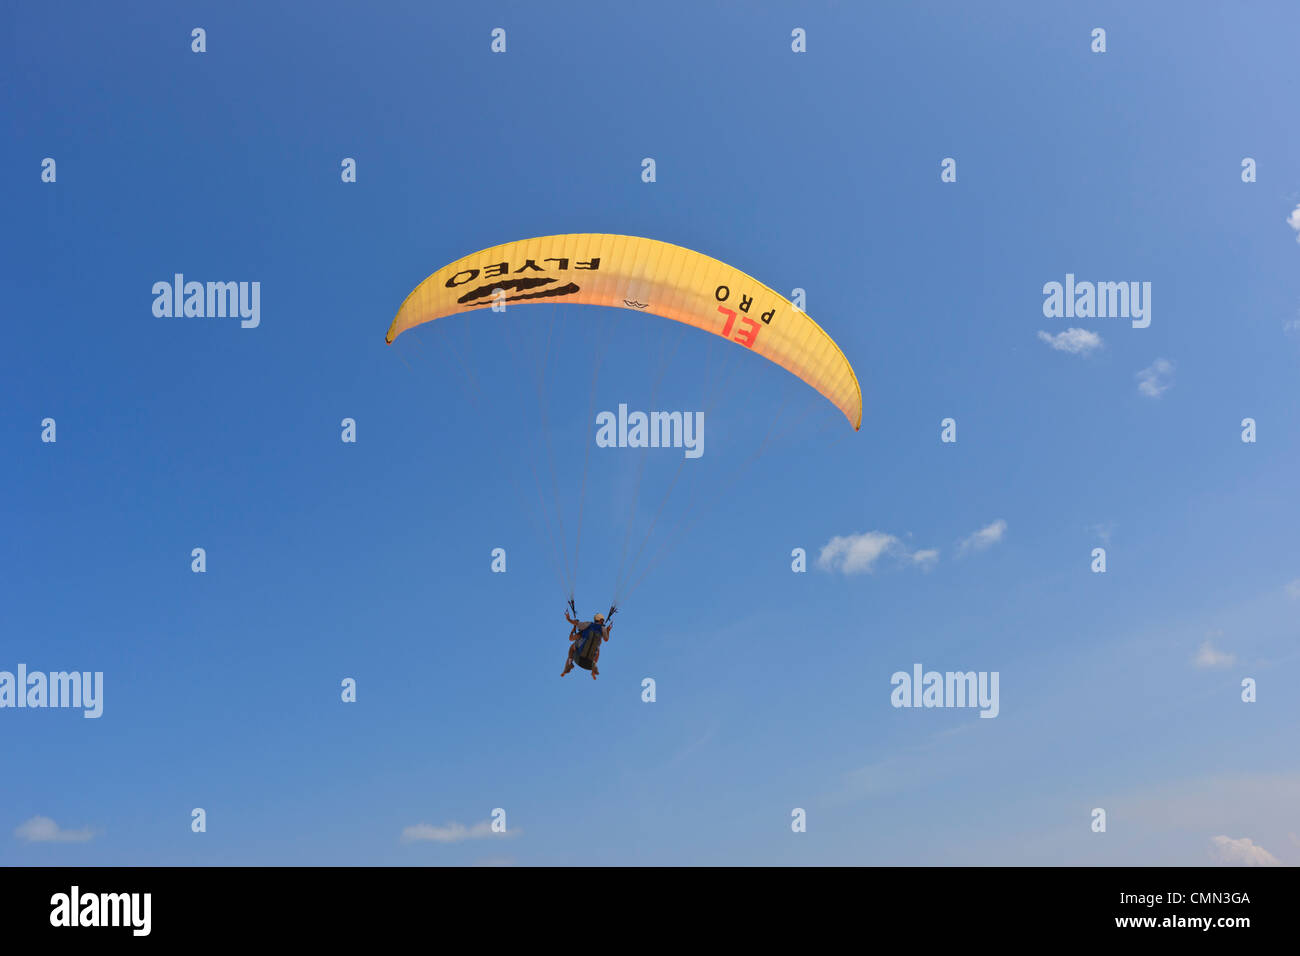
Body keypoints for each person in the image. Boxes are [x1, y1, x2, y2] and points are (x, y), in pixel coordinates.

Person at [562, 606, 614, 679]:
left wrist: (568, 619)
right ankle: (594, 667)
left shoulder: (588, 625)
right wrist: (608, 630)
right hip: (589, 664)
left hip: (579, 659)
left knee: (572, 647)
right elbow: (606, 639)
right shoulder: (603, 630)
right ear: (602, 620)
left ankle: (569, 664)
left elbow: (576, 624)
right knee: (598, 649)